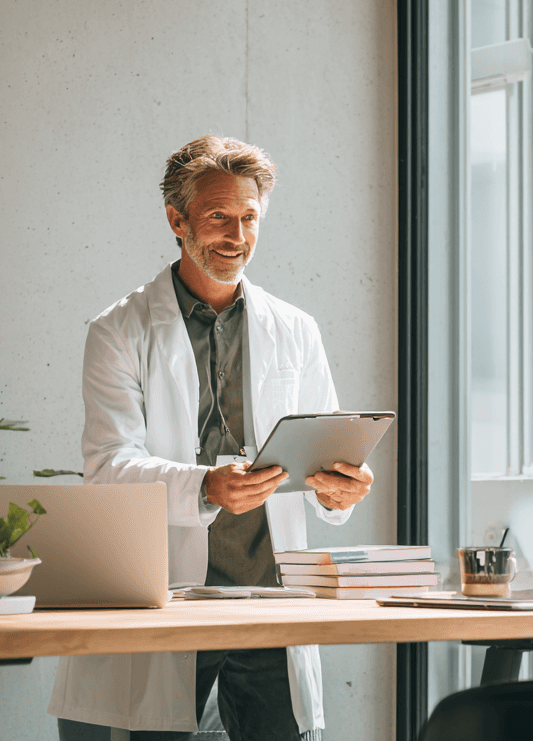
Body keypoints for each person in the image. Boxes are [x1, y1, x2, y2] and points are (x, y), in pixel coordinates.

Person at [50, 135, 374, 740]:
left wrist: (340, 489)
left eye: (250, 217)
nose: (238, 236)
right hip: (169, 597)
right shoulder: (118, 331)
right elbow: (109, 467)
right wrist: (206, 487)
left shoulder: (296, 330)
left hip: (268, 605)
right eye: (219, 216)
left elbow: (325, 449)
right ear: (177, 219)